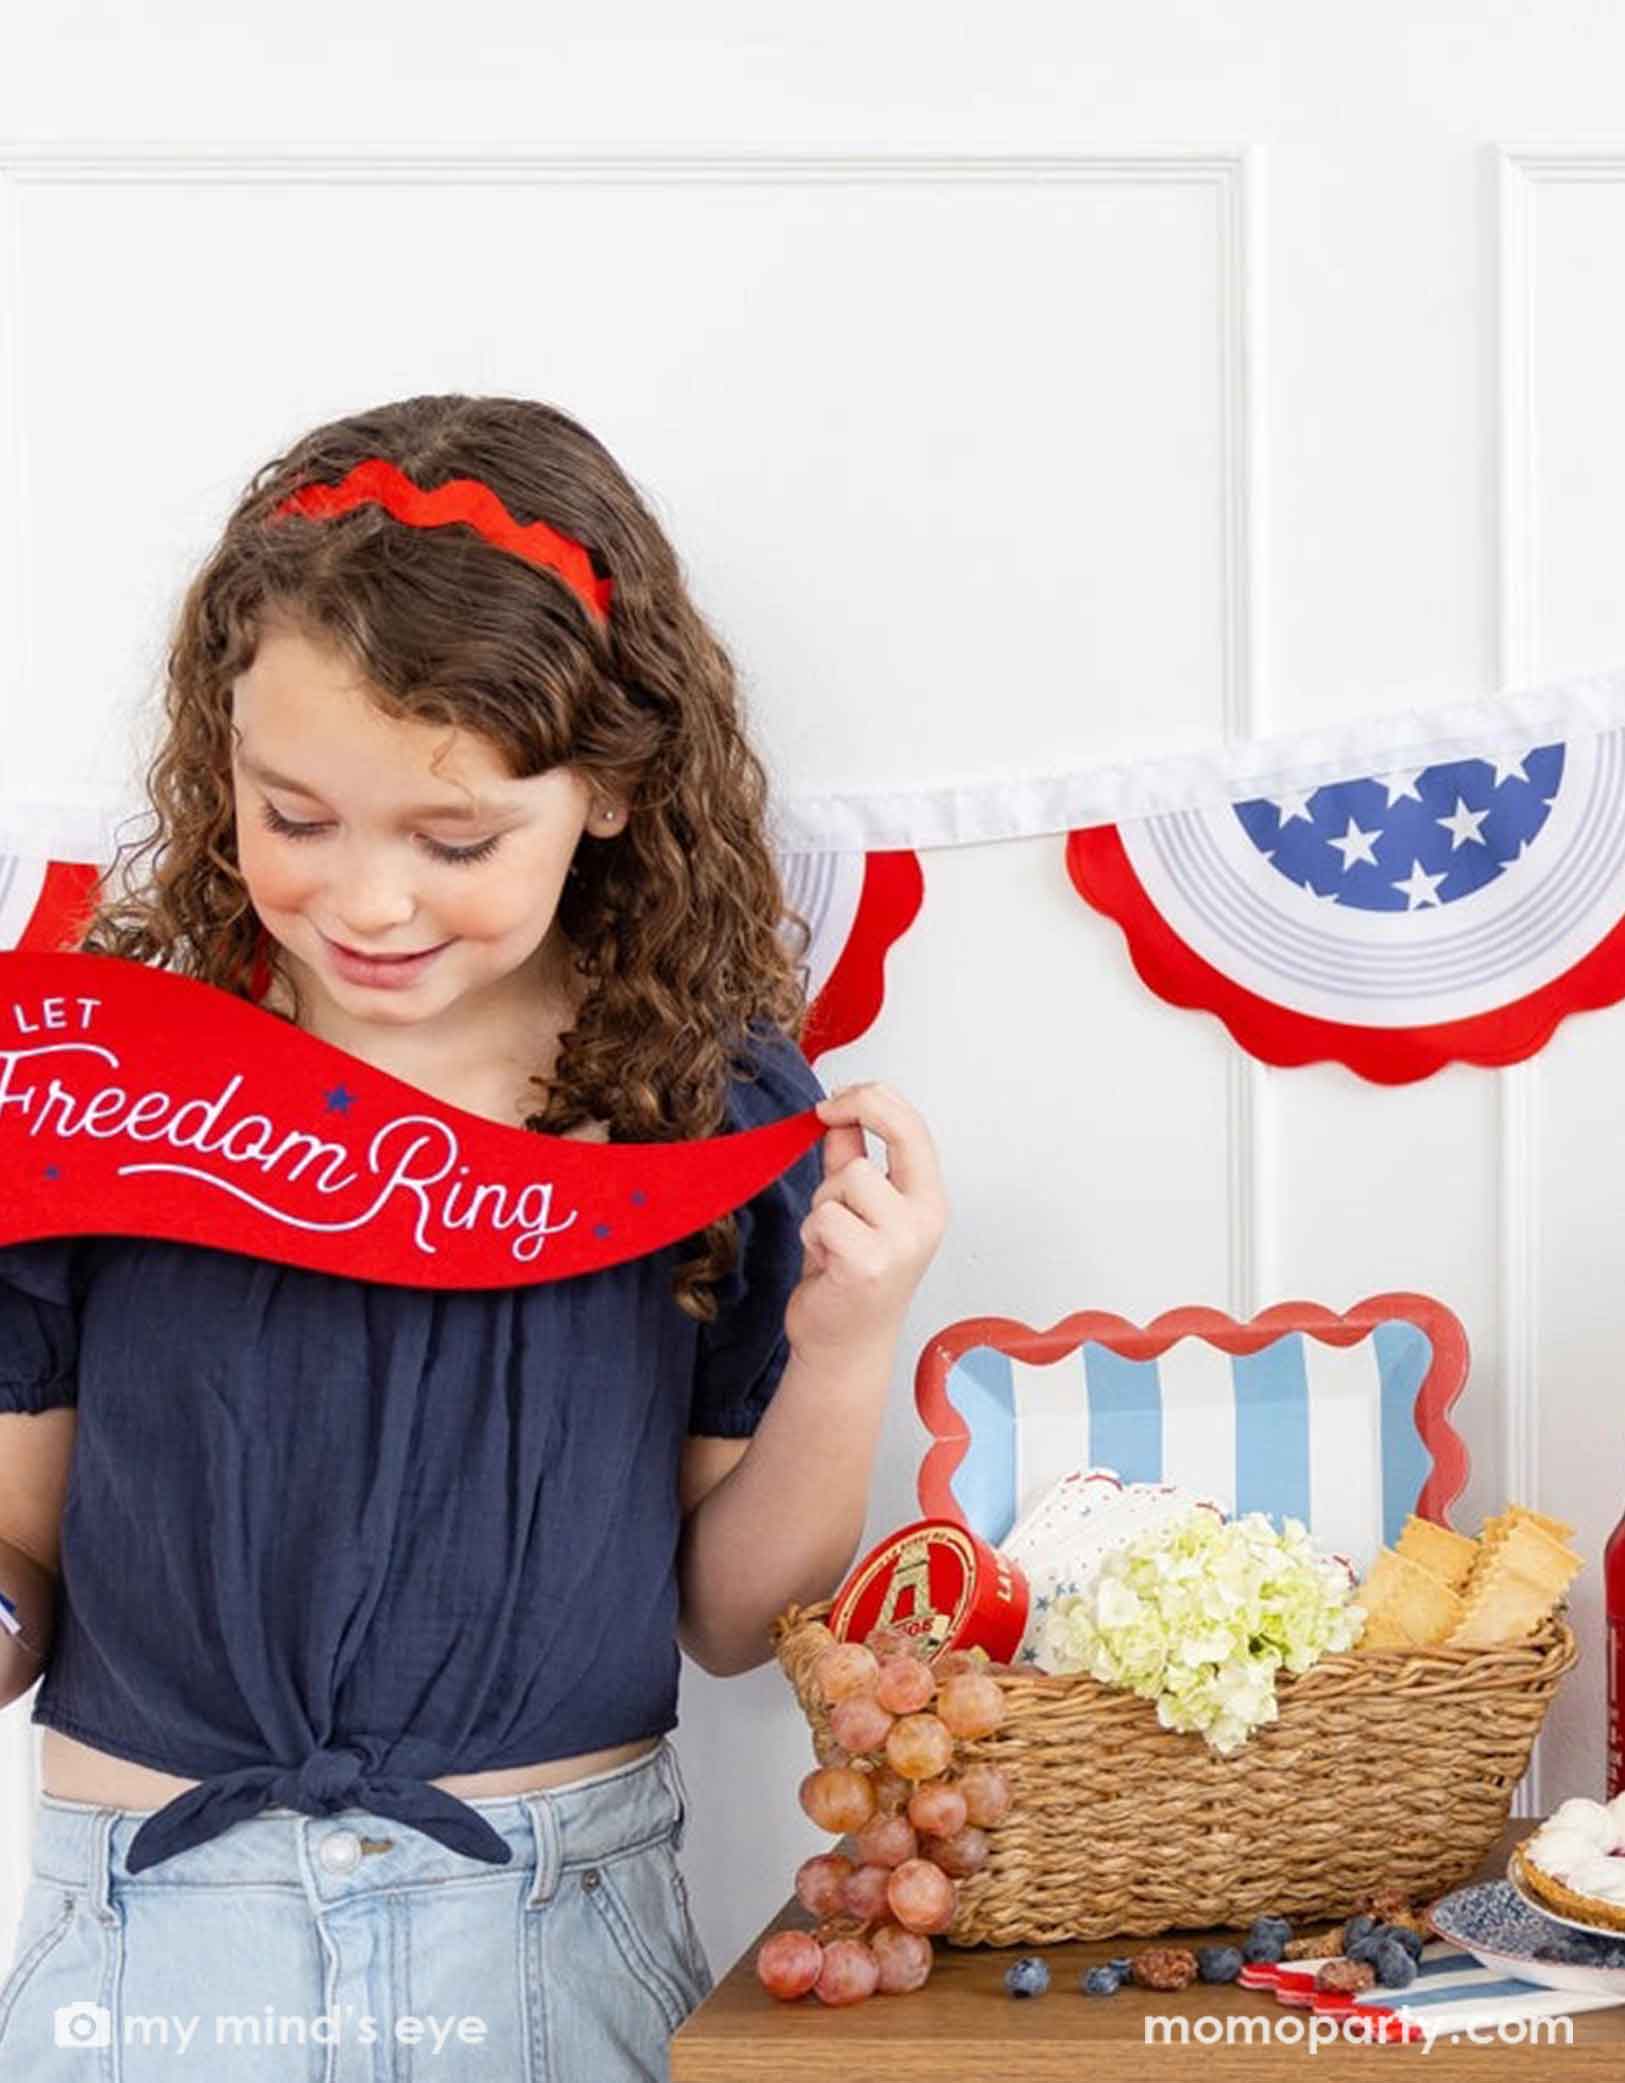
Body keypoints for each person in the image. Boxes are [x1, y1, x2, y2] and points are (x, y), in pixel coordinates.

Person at [0, 394, 949, 2080]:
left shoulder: (704, 1108)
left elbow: (736, 1623)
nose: (370, 901)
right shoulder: (106, 1075)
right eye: (294, 817)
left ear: (605, 791)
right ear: (213, 756)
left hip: (551, 1942)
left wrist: (849, 1337)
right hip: (155, 1942)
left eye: (454, 841)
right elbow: (22, 1555)